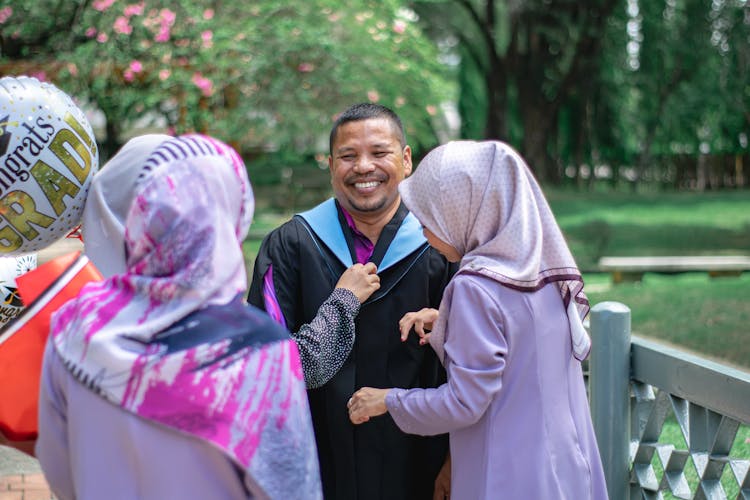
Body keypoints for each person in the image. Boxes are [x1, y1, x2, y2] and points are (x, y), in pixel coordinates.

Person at [35, 134, 322, 499]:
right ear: (234, 211)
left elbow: (60, 472)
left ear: (142, 218)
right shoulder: (261, 352)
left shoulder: (73, 328)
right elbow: (292, 489)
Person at [348, 140, 609, 499]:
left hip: (508, 476)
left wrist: (387, 400)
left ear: (464, 209)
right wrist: (448, 321)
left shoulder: (475, 287)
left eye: (430, 216)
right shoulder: (542, 271)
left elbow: (464, 403)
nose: (423, 230)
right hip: (564, 466)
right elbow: (523, 338)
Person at [247, 103, 455, 500]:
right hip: (317, 465)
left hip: (420, 464)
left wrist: (454, 460)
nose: (363, 167)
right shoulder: (290, 246)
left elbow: (472, 368)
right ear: (329, 165)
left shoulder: (442, 247)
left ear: (406, 159)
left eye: (379, 153)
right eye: (347, 156)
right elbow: (266, 365)